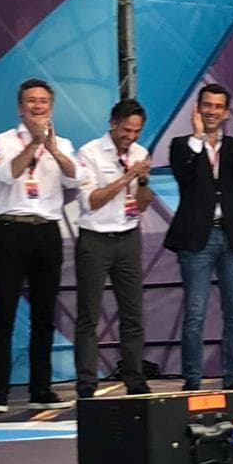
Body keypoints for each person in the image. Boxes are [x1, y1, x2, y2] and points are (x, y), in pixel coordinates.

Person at [0, 78, 78, 412]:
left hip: (47, 230)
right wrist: (34, 145)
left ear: (50, 107)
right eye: (31, 101)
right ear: (20, 107)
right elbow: (7, 175)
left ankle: (41, 388)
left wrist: (51, 148)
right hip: (12, 228)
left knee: (44, 313)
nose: (37, 107)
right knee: (5, 311)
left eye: (43, 102)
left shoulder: (64, 143)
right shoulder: (4, 140)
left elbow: (74, 178)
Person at [164, 84, 233, 392]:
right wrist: (196, 138)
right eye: (207, 105)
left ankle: (232, 378)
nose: (212, 111)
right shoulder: (182, 144)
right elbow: (184, 175)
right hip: (197, 240)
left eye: (218, 107)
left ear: (225, 112)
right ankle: (192, 380)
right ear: (198, 108)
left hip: (232, 237)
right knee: (195, 313)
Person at [73, 99, 154, 398]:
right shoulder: (89, 152)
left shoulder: (140, 154)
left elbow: (143, 205)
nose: (130, 136)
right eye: (126, 130)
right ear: (113, 123)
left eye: (136, 131)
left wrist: (143, 181)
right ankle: (86, 383)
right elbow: (92, 200)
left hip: (128, 237)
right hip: (95, 238)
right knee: (89, 315)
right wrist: (128, 177)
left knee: (133, 313)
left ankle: (135, 379)